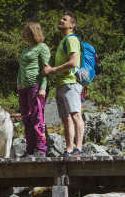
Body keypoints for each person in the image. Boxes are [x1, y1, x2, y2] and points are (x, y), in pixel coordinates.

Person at [43, 13, 85, 157]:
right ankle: (69, 148)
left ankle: (78, 148)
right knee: (66, 118)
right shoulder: (64, 41)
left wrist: (53, 69)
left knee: (75, 115)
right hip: (62, 84)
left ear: (72, 25)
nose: (61, 20)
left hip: (71, 83)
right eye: (60, 18)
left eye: (65, 19)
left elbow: (74, 62)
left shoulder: (72, 39)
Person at [17, 22, 50, 156]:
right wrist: (18, 82)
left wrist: (43, 87)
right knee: (26, 118)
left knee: (37, 117)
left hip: (35, 86)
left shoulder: (42, 47)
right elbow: (20, 68)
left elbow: (45, 69)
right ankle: (30, 148)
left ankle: (41, 148)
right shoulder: (25, 50)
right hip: (23, 88)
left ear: (33, 32)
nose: (24, 34)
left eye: (26, 31)